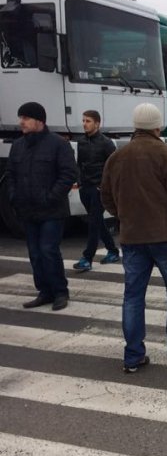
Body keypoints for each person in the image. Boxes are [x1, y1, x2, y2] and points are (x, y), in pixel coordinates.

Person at [101, 103, 167, 372]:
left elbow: (106, 195)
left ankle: (133, 355)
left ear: (135, 125)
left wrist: (123, 216)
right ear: (158, 126)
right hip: (166, 235)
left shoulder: (117, 157)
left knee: (133, 295)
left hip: (132, 235)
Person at [7, 101, 77, 311]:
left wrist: (51, 197)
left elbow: (68, 174)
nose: (21, 122)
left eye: (26, 118)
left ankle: (60, 292)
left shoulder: (58, 144)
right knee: (35, 253)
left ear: (39, 121)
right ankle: (44, 291)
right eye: (21, 117)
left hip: (51, 210)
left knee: (48, 250)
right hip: (27, 210)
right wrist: (14, 196)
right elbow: (10, 174)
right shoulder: (18, 146)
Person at [72, 110, 120, 272]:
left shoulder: (106, 143)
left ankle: (87, 258)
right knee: (97, 221)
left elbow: (114, 167)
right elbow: (79, 164)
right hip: (85, 188)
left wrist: (104, 186)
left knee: (93, 222)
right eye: (83, 121)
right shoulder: (81, 142)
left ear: (97, 124)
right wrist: (79, 183)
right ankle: (112, 250)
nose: (84, 124)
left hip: (99, 189)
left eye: (88, 121)